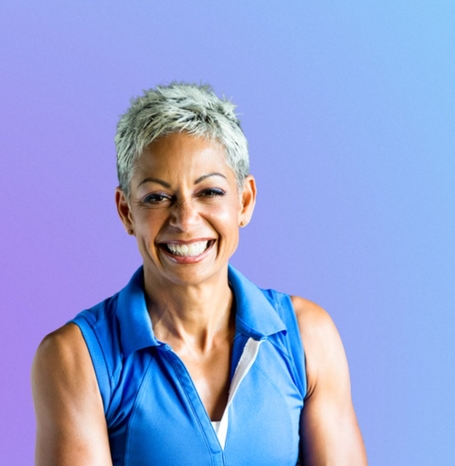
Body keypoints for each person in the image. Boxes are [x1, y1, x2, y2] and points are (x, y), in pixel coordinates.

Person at [31, 83, 367, 465]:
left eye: (209, 192)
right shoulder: (76, 358)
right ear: (126, 212)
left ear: (244, 201)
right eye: (157, 197)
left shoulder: (307, 338)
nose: (185, 220)